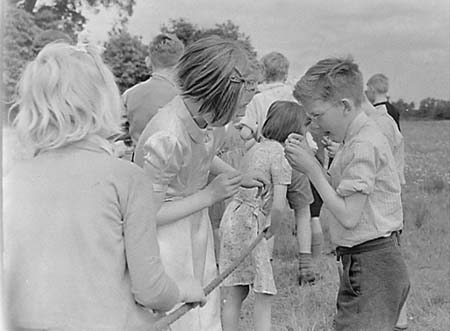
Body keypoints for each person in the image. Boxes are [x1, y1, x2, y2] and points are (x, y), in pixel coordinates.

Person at [3, 42, 206, 331]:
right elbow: (150, 290)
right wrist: (184, 289)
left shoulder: (13, 180)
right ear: (105, 101)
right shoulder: (127, 178)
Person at [133, 36, 266, 331]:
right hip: (165, 238)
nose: (245, 108)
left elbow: (204, 154)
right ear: (217, 95)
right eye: (241, 103)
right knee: (177, 308)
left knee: (202, 304)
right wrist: (210, 195)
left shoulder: (209, 121)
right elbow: (146, 216)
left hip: (195, 226)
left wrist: (237, 176)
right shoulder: (166, 137)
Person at [285, 56, 410, 331]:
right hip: (367, 261)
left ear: (344, 106)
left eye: (317, 115)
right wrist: (316, 162)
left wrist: (313, 170)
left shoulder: (363, 144)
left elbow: (349, 215)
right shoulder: (356, 139)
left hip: (373, 263)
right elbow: (343, 192)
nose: (314, 125)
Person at [219, 101, 308, 331]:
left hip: (233, 217)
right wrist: (272, 229)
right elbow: (278, 204)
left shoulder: (255, 148)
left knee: (236, 287)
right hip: (251, 222)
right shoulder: (281, 156)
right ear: (294, 131)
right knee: (264, 291)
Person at [238, 51, 320, 284]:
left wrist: (255, 138)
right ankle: (305, 263)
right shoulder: (296, 97)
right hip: (298, 156)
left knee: (267, 212)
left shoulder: (257, 99)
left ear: (264, 71)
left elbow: (244, 132)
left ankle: (267, 263)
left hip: (269, 159)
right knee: (303, 210)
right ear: (286, 71)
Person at [123, 33, 184, 147]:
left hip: (137, 160)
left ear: (148, 61)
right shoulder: (183, 98)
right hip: (173, 161)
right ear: (181, 64)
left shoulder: (129, 95)